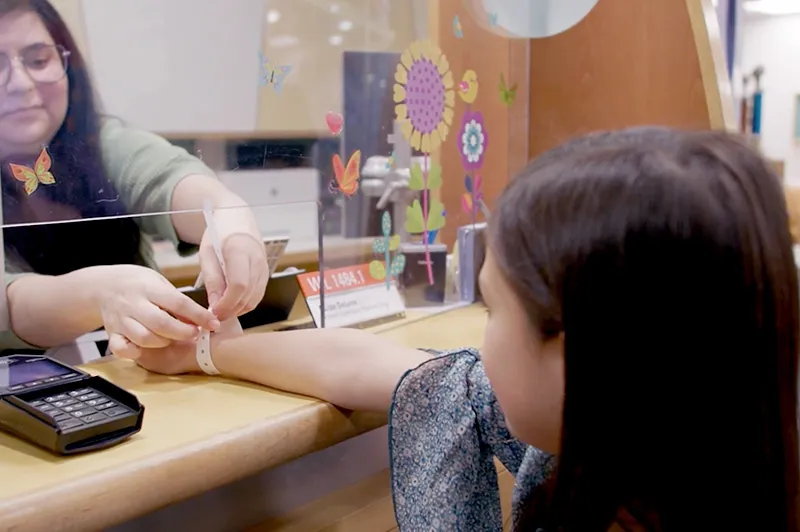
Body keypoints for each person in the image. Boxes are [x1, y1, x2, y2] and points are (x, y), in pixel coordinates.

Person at [132, 128, 800, 531]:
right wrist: (209, 351)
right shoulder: (675, 429)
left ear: (579, 358)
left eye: (493, 310)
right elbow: (387, 370)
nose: (480, 342)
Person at [0, 0, 270, 355]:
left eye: (38, 60)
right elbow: (10, 304)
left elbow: (171, 179)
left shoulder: (102, 141)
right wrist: (98, 294)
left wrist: (229, 218)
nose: (20, 83)